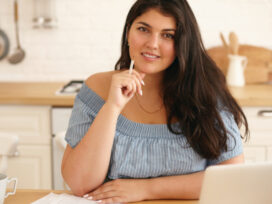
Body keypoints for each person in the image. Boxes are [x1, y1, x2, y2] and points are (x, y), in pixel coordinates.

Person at [61, 0, 249, 203]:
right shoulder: (97, 87)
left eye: (168, 35)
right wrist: (112, 107)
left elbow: (232, 175)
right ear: (127, 33)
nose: (152, 44)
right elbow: (80, 184)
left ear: (183, 43)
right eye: (143, 29)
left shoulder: (206, 92)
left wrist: (146, 189)